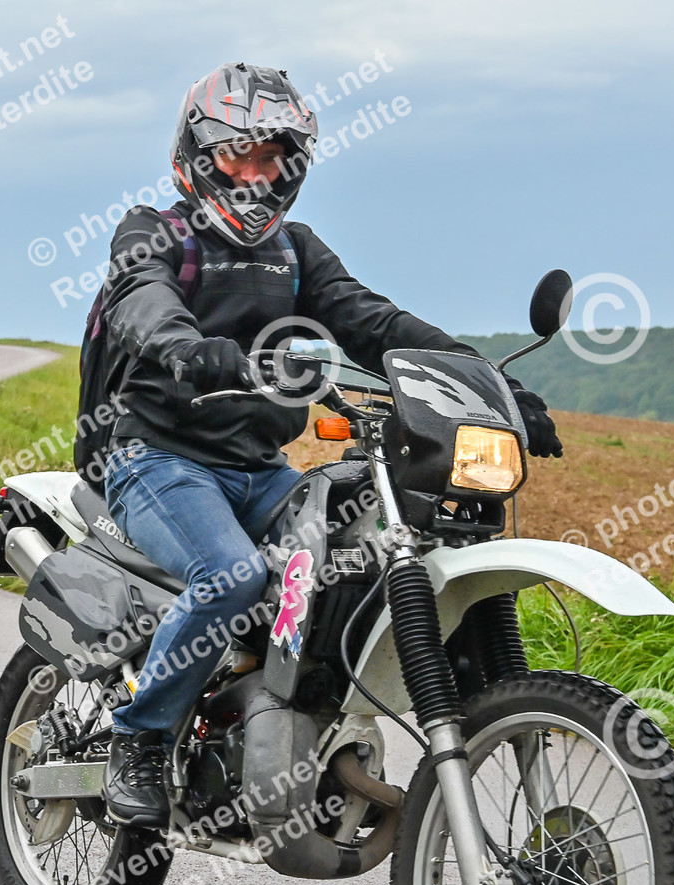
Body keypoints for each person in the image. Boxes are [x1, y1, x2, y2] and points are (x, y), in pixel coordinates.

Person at [91, 62, 563, 827]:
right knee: (232, 577)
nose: (257, 174)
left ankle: (295, 727)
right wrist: (186, 348)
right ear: (199, 157)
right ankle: (138, 739)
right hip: (159, 461)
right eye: (239, 156)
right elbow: (143, 298)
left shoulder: (296, 250)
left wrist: (490, 386)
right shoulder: (154, 231)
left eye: (272, 159)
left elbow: (374, 321)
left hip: (260, 470)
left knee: (356, 560)